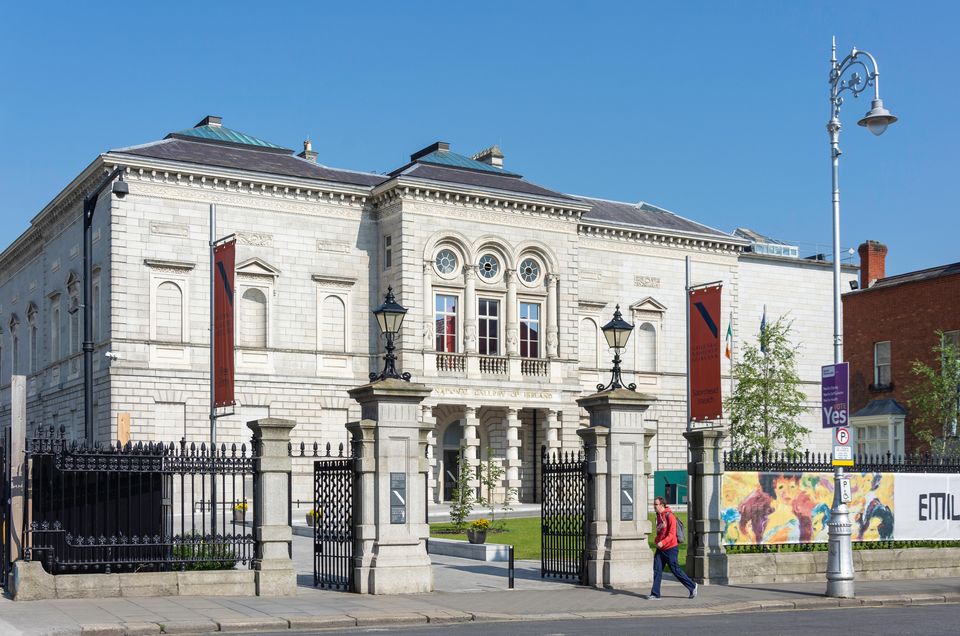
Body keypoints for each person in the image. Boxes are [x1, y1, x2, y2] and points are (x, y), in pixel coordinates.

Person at [647, 496, 698, 600]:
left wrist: (662, 542)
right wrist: (657, 541)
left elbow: (672, 534)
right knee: (657, 570)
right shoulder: (658, 516)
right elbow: (660, 532)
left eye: (656, 504)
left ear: (662, 505)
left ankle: (692, 586)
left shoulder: (669, 516)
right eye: (654, 504)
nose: (654, 506)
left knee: (676, 570)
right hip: (661, 549)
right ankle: (655, 594)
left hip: (671, 548)